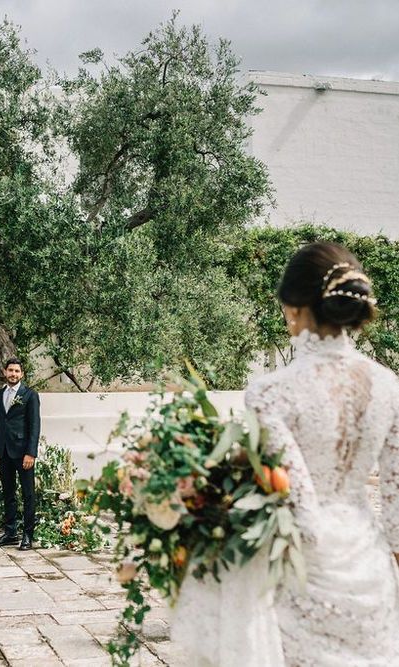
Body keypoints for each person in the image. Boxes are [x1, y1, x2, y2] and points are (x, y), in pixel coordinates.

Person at [171, 242, 399, 666]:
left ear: (294, 308)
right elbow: (397, 501)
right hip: (370, 569)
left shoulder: (270, 392)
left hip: (303, 571)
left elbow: (298, 501)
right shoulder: (389, 386)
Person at [0, 357, 41, 550]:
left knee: (28, 494)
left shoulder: (30, 395)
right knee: (8, 493)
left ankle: (28, 535)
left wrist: (31, 453)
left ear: (22, 374)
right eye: (10, 370)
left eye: (17, 371)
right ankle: (10, 533)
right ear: (5, 372)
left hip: (23, 453)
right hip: (3, 452)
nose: (13, 374)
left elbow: (34, 426)